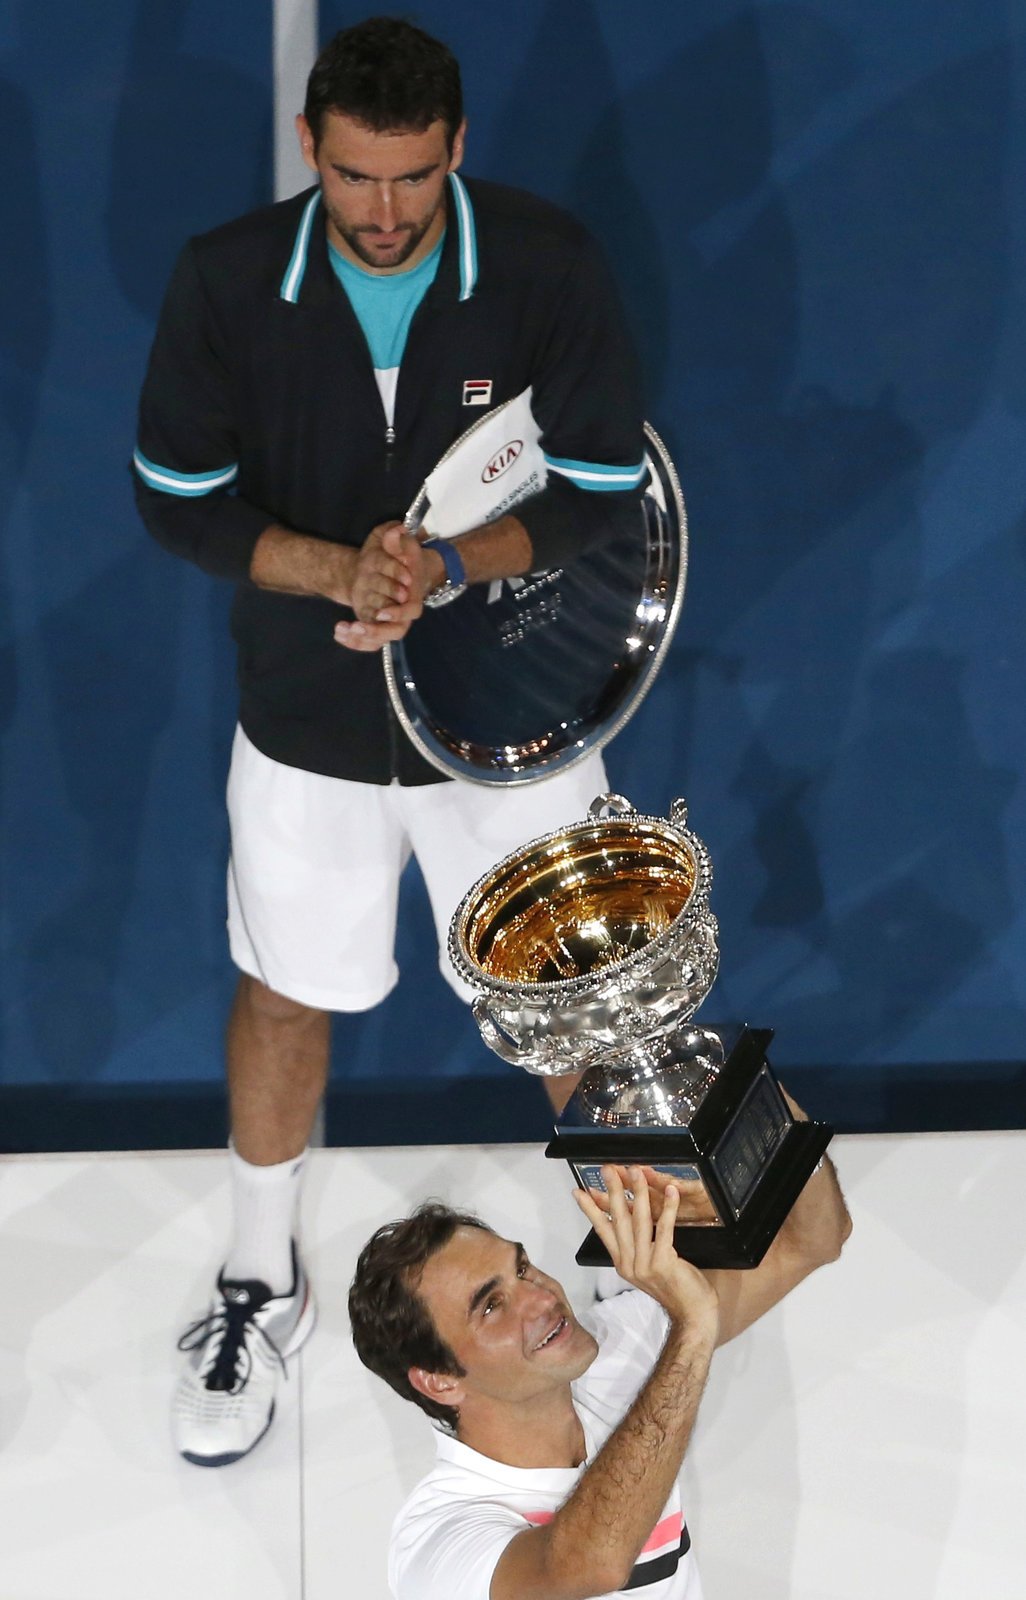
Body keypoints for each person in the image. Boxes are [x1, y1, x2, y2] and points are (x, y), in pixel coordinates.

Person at [133, 16, 647, 1467]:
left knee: (579, 1007)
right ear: (311, 149)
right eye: (356, 178)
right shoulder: (226, 278)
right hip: (308, 721)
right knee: (287, 998)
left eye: (412, 179)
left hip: (514, 711)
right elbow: (180, 499)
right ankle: (257, 1280)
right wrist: (328, 571)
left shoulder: (546, 261)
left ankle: (623, 1269)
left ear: (456, 150)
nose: (382, 210)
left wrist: (455, 565)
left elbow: (606, 480)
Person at [349, 1130, 852, 1600]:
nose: (540, 1297)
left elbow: (811, 1241)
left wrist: (758, 1111)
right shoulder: (439, 1538)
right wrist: (692, 1324)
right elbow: (589, 1565)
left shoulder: (615, 1349)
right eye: (492, 1306)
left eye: (520, 1267)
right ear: (440, 1381)